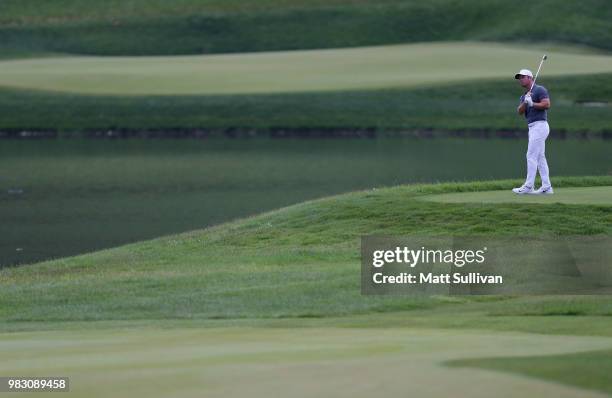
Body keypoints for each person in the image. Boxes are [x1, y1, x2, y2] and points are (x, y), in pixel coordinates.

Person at [512, 68, 553, 195]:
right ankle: (546, 187)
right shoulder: (524, 95)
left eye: (523, 77)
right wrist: (526, 102)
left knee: (531, 155)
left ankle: (529, 186)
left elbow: (547, 105)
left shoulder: (539, 89)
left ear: (530, 78)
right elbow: (519, 111)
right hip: (533, 128)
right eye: (519, 78)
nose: (521, 80)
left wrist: (532, 104)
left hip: (540, 126)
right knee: (540, 157)